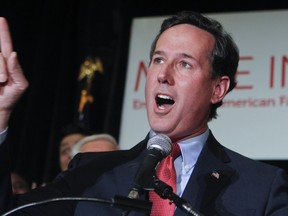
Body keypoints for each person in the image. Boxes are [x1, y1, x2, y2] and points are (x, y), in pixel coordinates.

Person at [0, 11, 288, 216]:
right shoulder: (89, 172)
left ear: (218, 89)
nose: (163, 74)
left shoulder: (263, 187)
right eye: (158, 59)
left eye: (184, 64)